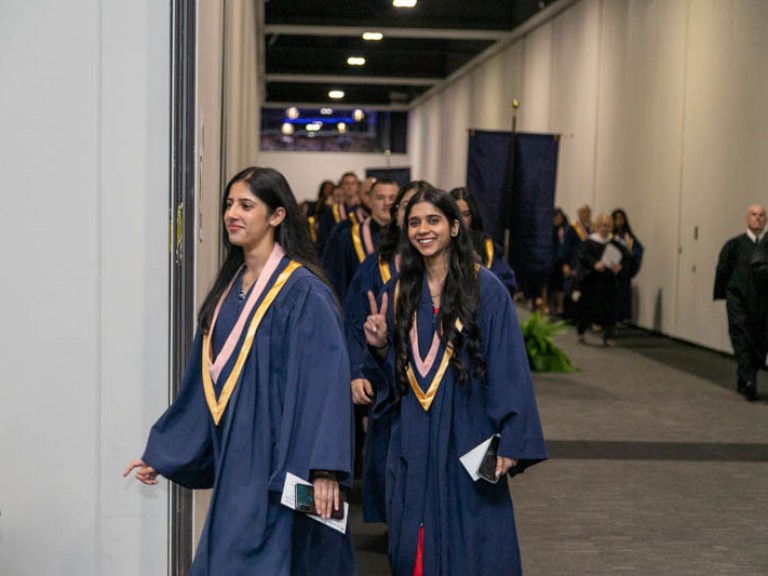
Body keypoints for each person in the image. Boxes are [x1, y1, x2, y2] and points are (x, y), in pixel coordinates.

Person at [123, 167, 355, 575]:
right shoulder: (229, 291)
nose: (233, 213)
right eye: (230, 204)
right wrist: (165, 452)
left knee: (292, 559)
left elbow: (327, 383)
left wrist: (325, 470)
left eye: (247, 205)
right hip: (240, 465)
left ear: (277, 216)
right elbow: (204, 384)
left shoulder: (304, 292)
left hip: (288, 462)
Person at [364, 187, 547, 575]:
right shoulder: (399, 291)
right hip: (413, 432)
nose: (423, 230)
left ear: (454, 226)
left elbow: (509, 367)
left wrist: (512, 437)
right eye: (414, 222)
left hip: (469, 429)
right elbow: (397, 380)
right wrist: (380, 347)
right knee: (412, 537)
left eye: (433, 220)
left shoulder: (486, 290)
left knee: (475, 537)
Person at [345, 180, 431, 523]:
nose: (416, 219)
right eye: (407, 210)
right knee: (387, 465)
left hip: (436, 391)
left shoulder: (447, 272)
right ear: (398, 218)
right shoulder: (374, 267)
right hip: (387, 384)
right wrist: (355, 371)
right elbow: (353, 322)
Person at [714, 204, 768, 401]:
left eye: (762, 215)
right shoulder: (734, 245)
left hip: (762, 304)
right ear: (747, 218)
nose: (758, 218)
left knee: (757, 340)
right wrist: (728, 295)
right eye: (754, 214)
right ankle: (749, 381)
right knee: (741, 338)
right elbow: (723, 271)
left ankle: (744, 377)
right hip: (739, 301)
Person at [322, 178, 399, 301]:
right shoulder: (347, 236)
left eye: (392, 198)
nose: (387, 203)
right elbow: (336, 281)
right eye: (380, 198)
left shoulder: (407, 237)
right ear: (370, 201)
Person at [449, 186, 517, 296]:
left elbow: (507, 283)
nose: (461, 220)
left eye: (466, 214)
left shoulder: (487, 246)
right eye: (456, 214)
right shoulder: (438, 244)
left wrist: (480, 271)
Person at [575, 213, 628, 347]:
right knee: (588, 307)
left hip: (609, 281)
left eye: (609, 226)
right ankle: (581, 330)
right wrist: (594, 264)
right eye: (603, 226)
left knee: (611, 308)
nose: (606, 229)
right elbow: (583, 258)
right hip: (592, 281)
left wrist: (619, 267)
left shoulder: (615, 243)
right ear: (597, 226)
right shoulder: (589, 242)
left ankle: (609, 336)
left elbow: (625, 259)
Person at [559, 203, 592, 319]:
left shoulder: (591, 230)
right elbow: (566, 247)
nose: (586, 215)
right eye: (584, 212)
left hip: (586, 266)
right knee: (570, 289)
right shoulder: (573, 229)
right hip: (573, 264)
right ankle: (568, 315)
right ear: (579, 214)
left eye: (588, 213)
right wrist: (565, 263)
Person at [611, 208, 644, 322]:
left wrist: (632, 256)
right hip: (611, 271)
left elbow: (638, 249)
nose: (619, 222)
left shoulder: (628, 238)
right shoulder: (610, 236)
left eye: (621, 219)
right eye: (617, 219)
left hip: (624, 271)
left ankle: (622, 316)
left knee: (623, 295)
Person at [548, 207, 569, 316]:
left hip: (561, 260)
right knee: (550, 284)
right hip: (551, 260)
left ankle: (560, 306)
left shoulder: (566, 229)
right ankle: (549, 305)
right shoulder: (550, 230)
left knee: (560, 286)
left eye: (559, 217)